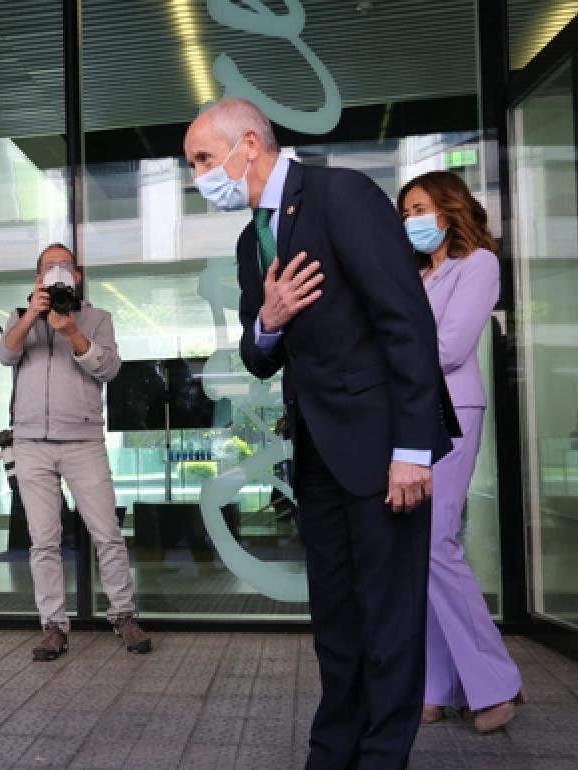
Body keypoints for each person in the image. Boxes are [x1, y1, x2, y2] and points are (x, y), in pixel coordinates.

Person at [184, 98, 458, 770]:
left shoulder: (342, 196)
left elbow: (406, 322)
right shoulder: (255, 239)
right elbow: (259, 355)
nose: (198, 176)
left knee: (390, 623)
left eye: (200, 159)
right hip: (319, 456)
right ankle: (332, 752)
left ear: (248, 144)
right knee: (336, 623)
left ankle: (381, 757)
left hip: (384, 450)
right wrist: (268, 320)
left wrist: (412, 450)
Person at [398, 171, 525, 734]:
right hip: (411, 413)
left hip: (451, 410)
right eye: (404, 214)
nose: (411, 222)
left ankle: (496, 682)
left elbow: (448, 348)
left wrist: (387, 348)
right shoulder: (418, 276)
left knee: (435, 544)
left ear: (449, 210)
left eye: (419, 208)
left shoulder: (478, 266)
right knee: (418, 550)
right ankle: (437, 685)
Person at [0, 243, 152, 661]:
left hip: (83, 442)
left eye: (65, 265)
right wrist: (32, 315)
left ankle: (123, 615)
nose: (59, 271)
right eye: (50, 267)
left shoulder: (97, 318)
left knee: (107, 534)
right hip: (31, 443)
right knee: (43, 541)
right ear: (38, 278)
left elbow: (109, 368)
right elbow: (5, 355)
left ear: (77, 276)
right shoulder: (20, 316)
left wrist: (70, 331)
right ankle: (53, 627)